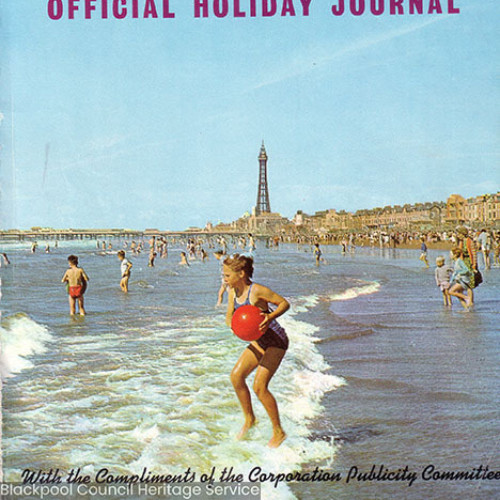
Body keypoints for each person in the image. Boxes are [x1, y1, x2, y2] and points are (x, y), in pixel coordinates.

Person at [224, 254, 290, 448]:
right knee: (236, 376)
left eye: (227, 275)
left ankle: (278, 431)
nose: (225, 279)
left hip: (276, 340)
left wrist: (270, 317)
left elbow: (284, 303)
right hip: (259, 340)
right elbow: (230, 317)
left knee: (259, 387)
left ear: (241, 274)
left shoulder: (257, 290)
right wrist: (237, 328)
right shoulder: (232, 291)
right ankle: (250, 419)